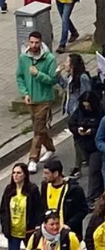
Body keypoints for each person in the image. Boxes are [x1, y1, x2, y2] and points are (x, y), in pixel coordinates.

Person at [16, 32, 57, 173]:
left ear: (41, 43)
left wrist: (38, 74)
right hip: (31, 99)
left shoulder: (49, 58)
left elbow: (52, 79)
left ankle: (33, 159)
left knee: (37, 130)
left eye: (36, 43)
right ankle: (50, 148)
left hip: (44, 99)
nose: (34, 45)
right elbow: (20, 76)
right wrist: (25, 93)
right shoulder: (24, 57)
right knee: (39, 128)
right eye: (31, 42)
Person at [0, 166, 42, 250]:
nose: (15, 175)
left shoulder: (32, 189)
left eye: (19, 173)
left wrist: (37, 224)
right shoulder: (9, 189)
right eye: (14, 173)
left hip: (28, 231)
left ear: (25, 174)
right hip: (13, 231)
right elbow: (3, 209)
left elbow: (39, 208)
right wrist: (4, 224)